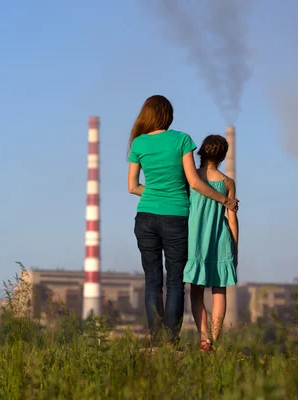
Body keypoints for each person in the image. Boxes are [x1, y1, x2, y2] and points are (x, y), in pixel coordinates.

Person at [127, 95, 239, 347]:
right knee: (175, 280)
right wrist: (224, 199)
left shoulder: (138, 143)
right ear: (168, 116)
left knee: (153, 281)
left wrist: (156, 192)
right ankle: (170, 339)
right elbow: (195, 182)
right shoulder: (181, 140)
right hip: (175, 217)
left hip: (145, 217)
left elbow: (132, 187)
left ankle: (157, 339)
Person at [183, 134, 239, 352]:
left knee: (196, 293)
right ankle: (215, 339)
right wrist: (234, 248)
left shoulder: (191, 178)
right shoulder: (227, 183)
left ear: (201, 153)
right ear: (223, 155)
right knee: (219, 292)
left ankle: (204, 337)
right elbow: (232, 220)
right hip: (220, 240)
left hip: (195, 241)